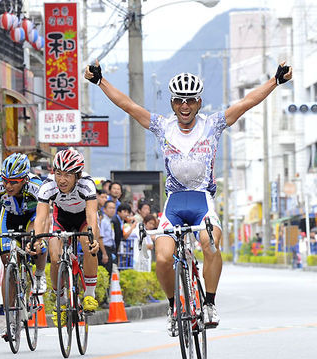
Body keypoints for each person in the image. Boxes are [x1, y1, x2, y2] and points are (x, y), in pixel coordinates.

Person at [86, 59, 293, 335]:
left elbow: (245, 103)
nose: (185, 106)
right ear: (173, 103)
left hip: (202, 201)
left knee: (210, 245)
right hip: (174, 202)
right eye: (180, 101)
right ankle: (173, 307)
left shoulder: (213, 124)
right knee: (162, 257)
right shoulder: (162, 126)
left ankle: (209, 303)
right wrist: (100, 81)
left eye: (191, 101)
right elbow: (129, 106)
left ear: (199, 102)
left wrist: (275, 81)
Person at [0, 153, 45, 339]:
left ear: (24, 179)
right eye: (6, 181)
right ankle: (11, 317)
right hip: (9, 218)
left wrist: (37, 236)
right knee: (7, 262)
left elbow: (44, 215)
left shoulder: (36, 185)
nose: (8, 186)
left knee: (36, 241)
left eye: (14, 182)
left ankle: (38, 275)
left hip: (32, 217)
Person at [31, 149, 100, 326]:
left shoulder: (87, 184)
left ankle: (89, 294)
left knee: (88, 244)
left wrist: (94, 240)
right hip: (60, 218)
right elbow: (41, 217)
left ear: (77, 175)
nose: (62, 179)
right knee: (55, 258)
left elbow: (92, 215)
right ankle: (60, 301)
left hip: (83, 218)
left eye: (68, 175)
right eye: (58, 173)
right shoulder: (48, 186)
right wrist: (38, 239)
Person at [99, 200, 117, 275]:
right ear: (104, 209)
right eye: (110, 208)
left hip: (110, 249)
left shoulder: (109, 220)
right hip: (104, 248)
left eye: (114, 208)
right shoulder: (103, 221)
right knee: (105, 272)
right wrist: (104, 254)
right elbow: (100, 238)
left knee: (109, 271)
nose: (112, 210)